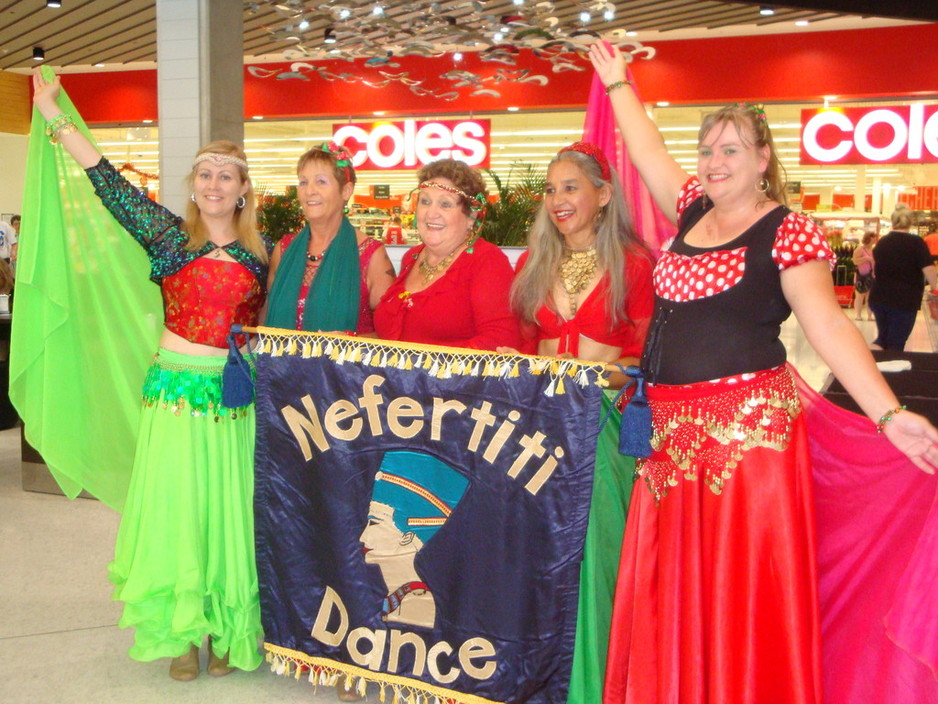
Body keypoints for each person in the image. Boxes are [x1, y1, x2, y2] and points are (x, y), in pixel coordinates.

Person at [589, 42, 938, 704]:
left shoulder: (788, 232)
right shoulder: (691, 208)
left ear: (762, 159)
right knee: (673, 586)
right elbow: (646, 151)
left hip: (746, 446)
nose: (715, 162)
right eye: (708, 149)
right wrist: (616, 83)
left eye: (731, 149)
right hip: (666, 440)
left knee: (736, 591)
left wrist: (889, 415)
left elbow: (830, 329)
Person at [33, 71, 269, 681]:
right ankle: (180, 634)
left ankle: (224, 625)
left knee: (225, 513)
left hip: (231, 403)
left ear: (243, 190)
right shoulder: (167, 237)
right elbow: (106, 181)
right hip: (173, 396)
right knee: (177, 514)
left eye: (226, 175)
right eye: (205, 174)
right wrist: (53, 112)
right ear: (195, 186)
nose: (214, 184)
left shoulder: (261, 257)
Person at [509, 141, 654, 380]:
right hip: (544, 409)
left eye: (570, 188)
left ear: (603, 195)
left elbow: (643, 361)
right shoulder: (531, 263)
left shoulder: (635, 264)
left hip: (604, 410)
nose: (556, 201)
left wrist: (584, 377)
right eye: (550, 190)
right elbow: (526, 344)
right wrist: (517, 365)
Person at [373, 159, 520, 350]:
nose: (431, 213)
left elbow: (501, 340)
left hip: (451, 380)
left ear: (471, 216)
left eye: (445, 204)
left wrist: (425, 367)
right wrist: (350, 343)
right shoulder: (412, 257)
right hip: (397, 378)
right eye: (425, 201)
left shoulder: (486, 261)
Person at [265, 142, 394, 335]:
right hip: (280, 365)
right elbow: (267, 315)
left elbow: (390, 333)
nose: (309, 191)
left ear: (346, 191)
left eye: (321, 182)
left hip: (343, 365)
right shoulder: (283, 250)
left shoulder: (370, 255)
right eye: (303, 182)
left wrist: (350, 342)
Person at [869, 205, 937, 351]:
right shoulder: (916, 242)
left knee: (883, 338)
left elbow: (875, 268)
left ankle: (871, 363)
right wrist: (935, 287)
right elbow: (929, 268)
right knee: (896, 341)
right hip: (904, 299)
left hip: (879, 296)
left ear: (893, 221)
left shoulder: (883, 241)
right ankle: (891, 371)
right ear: (910, 222)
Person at [852, 231, 876, 321]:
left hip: (872, 276)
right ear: (868, 238)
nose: (874, 239)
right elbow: (854, 261)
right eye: (872, 237)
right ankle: (858, 314)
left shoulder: (874, 250)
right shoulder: (860, 249)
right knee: (860, 295)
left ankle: (870, 315)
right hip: (861, 276)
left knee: (870, 296)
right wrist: (866, 258)